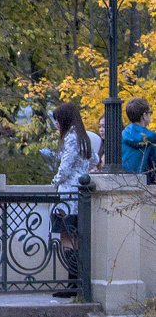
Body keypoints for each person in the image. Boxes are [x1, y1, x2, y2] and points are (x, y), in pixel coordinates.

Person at [50, 102, 93, 298]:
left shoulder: (71, 138)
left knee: (67, 238)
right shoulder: (84, 137)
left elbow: (65, 167)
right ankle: (75, 282)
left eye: (58, 120)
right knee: (74, 238)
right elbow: (90, 163)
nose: (57, 123)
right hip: (78, 195)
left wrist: (54, 181)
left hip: (68, 197)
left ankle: (72, 283)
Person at [122, 97, 156, 182]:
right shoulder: (152, 137)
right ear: (144, 115)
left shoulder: (122, 135)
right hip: (144, 182)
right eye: (149, 113)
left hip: (123, 180)